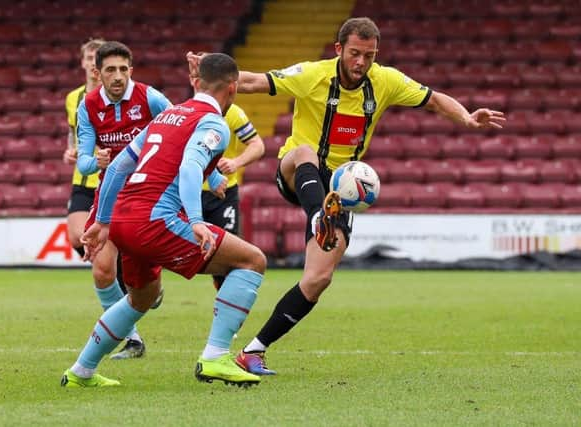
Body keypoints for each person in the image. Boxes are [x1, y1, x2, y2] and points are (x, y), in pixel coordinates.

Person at [188, 17, 506, 375]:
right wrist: (211, 74)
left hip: (341, 189)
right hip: (298, 173)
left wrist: (466, 119)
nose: (361, 62)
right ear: (339, 49)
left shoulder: (385, 81)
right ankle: (317, 216)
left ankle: (254, 350)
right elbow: (252, 81)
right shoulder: (313, 74)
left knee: (318, 279)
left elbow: (433, 100)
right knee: (305, 150)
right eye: (354, 53)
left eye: (369, 55)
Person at [61, 52, 266, 388]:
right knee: (252, 261)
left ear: (198, 83)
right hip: (155, 220)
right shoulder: (214, 123)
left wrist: (103, 220)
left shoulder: (168, 115)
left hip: (125, 219)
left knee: (142, 297)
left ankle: (81, 372)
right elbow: (189, 167)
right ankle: (215, 357)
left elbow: (117, 167)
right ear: (232, 88)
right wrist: (197, 220)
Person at [75, 41, 171, 360]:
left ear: (132, 70)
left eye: (123, 69)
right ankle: (132, 339)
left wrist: (212, 177)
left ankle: (148, 289)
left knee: (140, 275)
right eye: (110, 70)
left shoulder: (151, 98)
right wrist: (96, 161)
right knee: (102, 270)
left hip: (149, 191)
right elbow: (83, 163)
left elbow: (183, 131)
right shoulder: (87, 106)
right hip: (110, 194)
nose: (118, 76)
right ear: (97, 73)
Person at [201, 103, 264, 290]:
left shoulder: (234, 112)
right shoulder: (191, 111)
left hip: (224, 195)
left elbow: (258, 145)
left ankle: (227, 308)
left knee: (230, 259)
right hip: (189, 193)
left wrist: (236, 162)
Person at [63, 38, 103, 259]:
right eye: (89, 58)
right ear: (83, 63)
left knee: (108, 240)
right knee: (77, 238)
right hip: (83, 179)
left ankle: (121, 282)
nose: (93, 63)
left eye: (98, 58)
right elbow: (72, 130)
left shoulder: (115, 96)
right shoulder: (73, 98)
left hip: (110, 179)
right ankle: (114, 277)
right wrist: (71, 149)